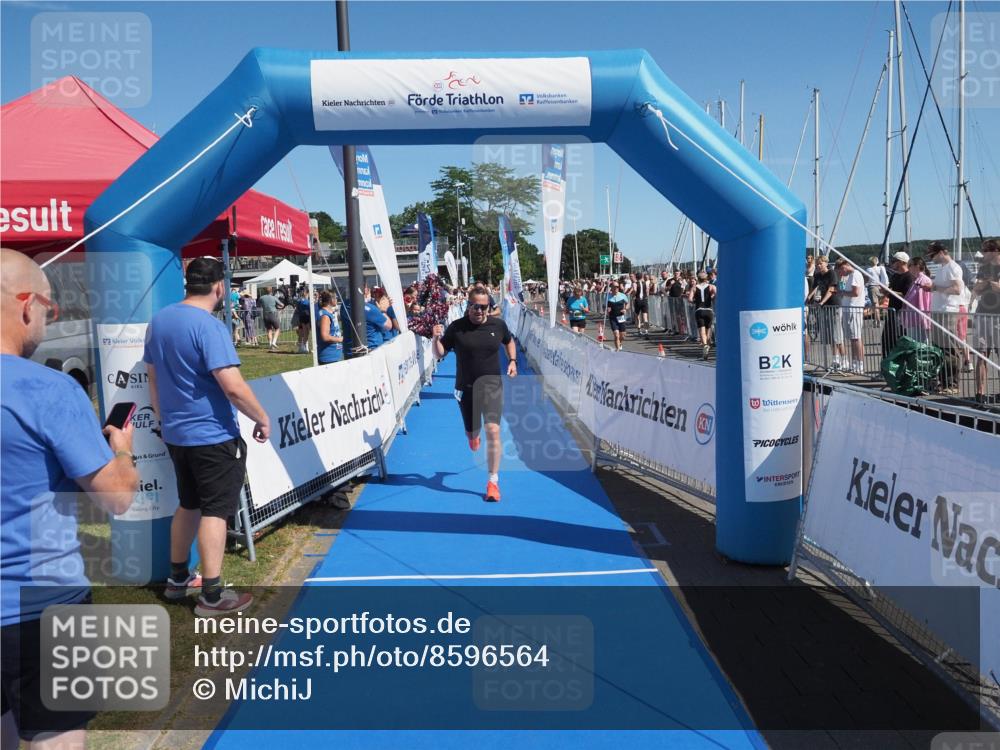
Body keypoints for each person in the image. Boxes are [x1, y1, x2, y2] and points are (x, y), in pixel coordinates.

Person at [1, 249, 138, 747]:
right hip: (45, 603)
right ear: (24, 305)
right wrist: (122, 451)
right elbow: (117, 498)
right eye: (49, 307)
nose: (47, 317)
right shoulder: (51, 390)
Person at [144, 258, 270, 616]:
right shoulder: (209, 327)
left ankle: (178, 577)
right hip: (211, 434)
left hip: (177, 433)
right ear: (219, 287)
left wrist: (160, 417)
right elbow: (232, 387)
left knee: (189, 504)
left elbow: (152, 376)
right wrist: (261, 417)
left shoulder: (160, 321)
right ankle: (212, 596)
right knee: (215, 511)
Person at [432, 286, 516, 502]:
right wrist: (435, 340)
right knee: (472, 433)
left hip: (492, 385)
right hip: (465, 387)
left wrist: (513, 361)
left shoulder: (498, 325)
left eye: (483, 307)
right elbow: (440, 353)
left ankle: (493, 482)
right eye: (474, 306)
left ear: (489, 307)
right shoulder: (457, 327)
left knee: (494, 430)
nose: (478, 310)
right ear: (467, 305)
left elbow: (509, 342)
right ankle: (473, 437)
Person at [926, 242, 965, 394]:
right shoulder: (942, 269)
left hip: (947, 311)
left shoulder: (953, 268)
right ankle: (943, 382)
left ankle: (953, 383)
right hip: (938, 311)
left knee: (949, 349)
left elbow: (957, 289)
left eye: (933, 255)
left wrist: (937, 288)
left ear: (941, 252)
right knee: (939, 349)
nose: (932, 259)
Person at [972, 239, 1000, 404]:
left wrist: (989, 284)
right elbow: (976, 289)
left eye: (985, 250)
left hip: (998, 317)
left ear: (995, 251)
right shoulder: (983, 269)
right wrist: (987, 284)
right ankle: (979, 394)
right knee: (981, 355)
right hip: (982, 315)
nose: (982, 254)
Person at [835, 259, 866, 374]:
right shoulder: (851, 275)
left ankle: (860, 364)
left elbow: (855, 292)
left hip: (854, 309)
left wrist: (842, 292)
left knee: (856, 338)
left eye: (840, 271)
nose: (841, 274)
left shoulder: (856, 275)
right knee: (853, 338)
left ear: (844, 266)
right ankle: (855, 364)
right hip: (849, 309)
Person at [881, 251, 914, 358]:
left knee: (898, 338)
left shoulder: (909, 276)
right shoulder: (895, 276)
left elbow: (906, 295)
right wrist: (886, 292)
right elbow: (892, 291)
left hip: (901, 312)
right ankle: (886, 364)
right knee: (886, 339)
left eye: (894, 261)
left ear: (901, 262)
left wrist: (891, 292)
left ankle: (899, 365)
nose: (892, 263)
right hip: (892, 311)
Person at [340, 287, 392, 353]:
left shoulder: (344, 305)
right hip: (370, 352)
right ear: (366, 290)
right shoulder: (370, 309)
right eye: (375, 293)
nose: (377, 295)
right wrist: (383, 310)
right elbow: (388, 326)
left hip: (350, 352)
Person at [901, 256, 934, 344]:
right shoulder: (916, 280)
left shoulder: (924, 280)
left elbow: (926, 302)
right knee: (913, 342)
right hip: (912, 318)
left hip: (918, 319)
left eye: (910, 265)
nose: (908, 268)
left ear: (917, 266)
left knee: (921, 342)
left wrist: (924, 319)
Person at [687, 271, 716, 359]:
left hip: (699, 310)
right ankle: (708, 343)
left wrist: (696, 301)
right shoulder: (711, 286)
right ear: (706, 278)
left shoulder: (694, 287)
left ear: (698, 279)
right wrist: (711, 298)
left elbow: (690, 299)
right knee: (709, 329)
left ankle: (705, 346)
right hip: (709, 310)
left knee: (702, 331)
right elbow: (716, 293)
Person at [315, 290, 344, 364]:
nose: (337, 299)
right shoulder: (325, 316)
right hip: (329, 357)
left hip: (334, 355)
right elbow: (325, 337)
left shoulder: (329, 313)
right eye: (336, 297)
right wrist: (340, 339)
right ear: (331, 300)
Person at [605, 280, 629, 352]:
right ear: (611, 287)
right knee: (616, 335)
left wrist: (625, 309)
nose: (616, 288)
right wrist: (607, 309)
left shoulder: (622, 295)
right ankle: (618, 350)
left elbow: (628, 304)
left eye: (617, 287)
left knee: (623, 336)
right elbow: (604, 306)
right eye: (614, 287)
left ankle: (620, 343)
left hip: (621, 317)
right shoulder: (608, 297)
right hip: (613, 317)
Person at [258, 286, 283, 351]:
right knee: (277, 329)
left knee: (269, 330)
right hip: (273, 314)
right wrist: (276, 306)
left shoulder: (261, 298)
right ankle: (274, 342)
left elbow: (258, 304)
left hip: (265, 315)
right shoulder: (274, 298)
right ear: (271, 291)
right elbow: (282, 305)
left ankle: (270, 344)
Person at [866, 256, 889, 324]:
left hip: (872, 287)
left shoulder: (868, 269)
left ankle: (877, 320)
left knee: (875, 305)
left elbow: (867, 280)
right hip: (878, 287)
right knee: (877, 304)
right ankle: (876, 319)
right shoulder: (879, 268)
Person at [293, 288, 312, 354]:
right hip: (306, 318)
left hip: (302, 318)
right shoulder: (307, 301)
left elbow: (297, 309)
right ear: (307, 293)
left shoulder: (300, 301)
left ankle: (304, 347)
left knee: (304, 333)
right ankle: (304, 346)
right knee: (306, 333)